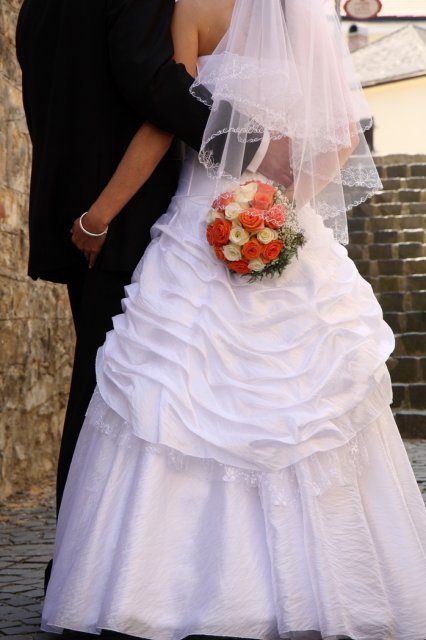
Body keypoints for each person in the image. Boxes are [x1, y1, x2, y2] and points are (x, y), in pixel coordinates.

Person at [42, 0, 426, 638]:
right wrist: (276, 211)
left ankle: (159, 594)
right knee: (303, 410)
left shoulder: (193, 8)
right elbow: (343, 136)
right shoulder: (301, 17)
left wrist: (99, 214)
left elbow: (163, 118)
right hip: (280, 227)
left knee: (172, 401)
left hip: (199, 228)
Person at [16, 0, 287, 515]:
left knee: (97, 386)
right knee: (111, 398)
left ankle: (84, 542)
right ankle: (93, 546)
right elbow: (157, 86)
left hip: (74, 210)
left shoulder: (37, 7)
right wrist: (254, 146)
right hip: (119, 216)